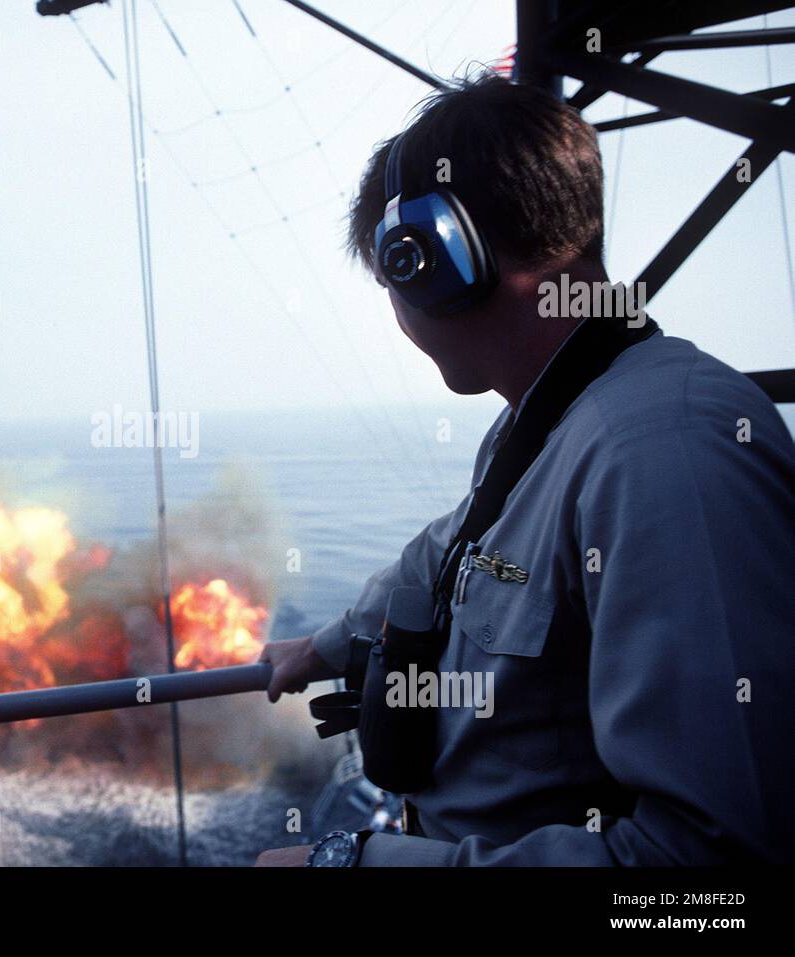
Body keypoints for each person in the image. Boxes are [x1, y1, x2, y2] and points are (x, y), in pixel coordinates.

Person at [256, 72, 795, 866]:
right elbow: (458, 545)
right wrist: (332, 641)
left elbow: (705, 877)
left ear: (430, 262)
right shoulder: (553, 420)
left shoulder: (662, 455)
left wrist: (351, 865)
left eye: (394, 278)